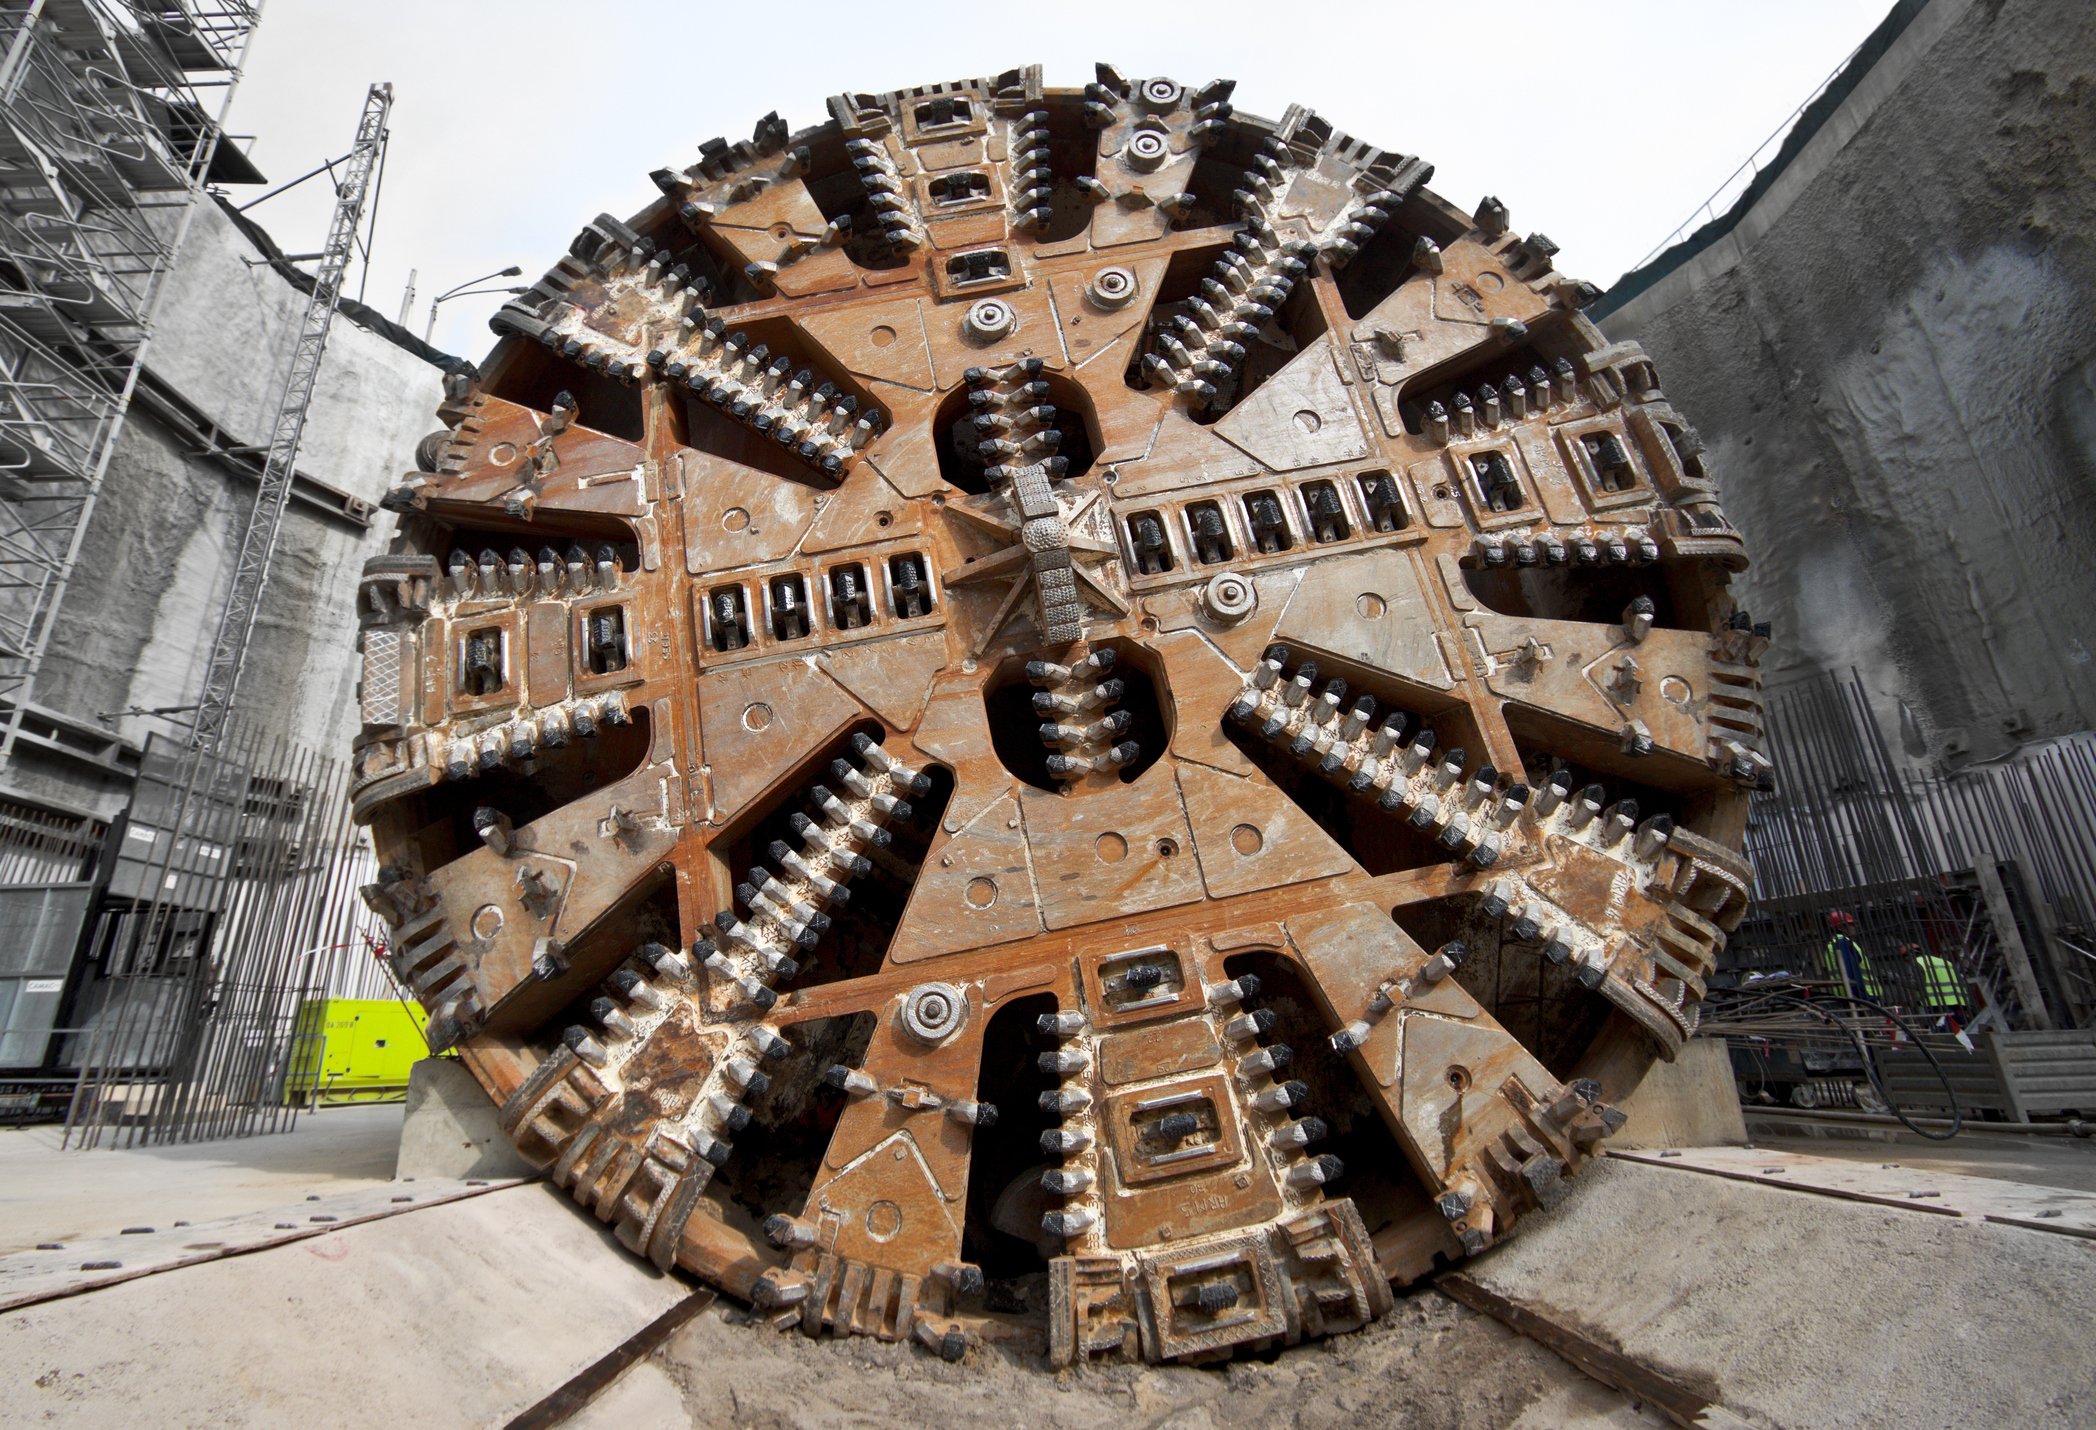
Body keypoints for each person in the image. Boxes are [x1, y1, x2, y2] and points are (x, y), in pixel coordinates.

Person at [1820, 910, 1881, 1000]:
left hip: (1845, 996)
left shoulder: (1832, 945)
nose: (1854, 927)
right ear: (1841, 927)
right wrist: (1861, 997)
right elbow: (1851, 972)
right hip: (1865, 996)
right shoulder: (1843, 943)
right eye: (1851, 924)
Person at [1908, 943, 1968, 1030]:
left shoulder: (1917, 963)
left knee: (1944, 1030)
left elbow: (1918, 985)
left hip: (1937, 1003)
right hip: (1958, 1000)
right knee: (1960, 1028)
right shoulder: (1945, 962)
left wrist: (1897, 979)